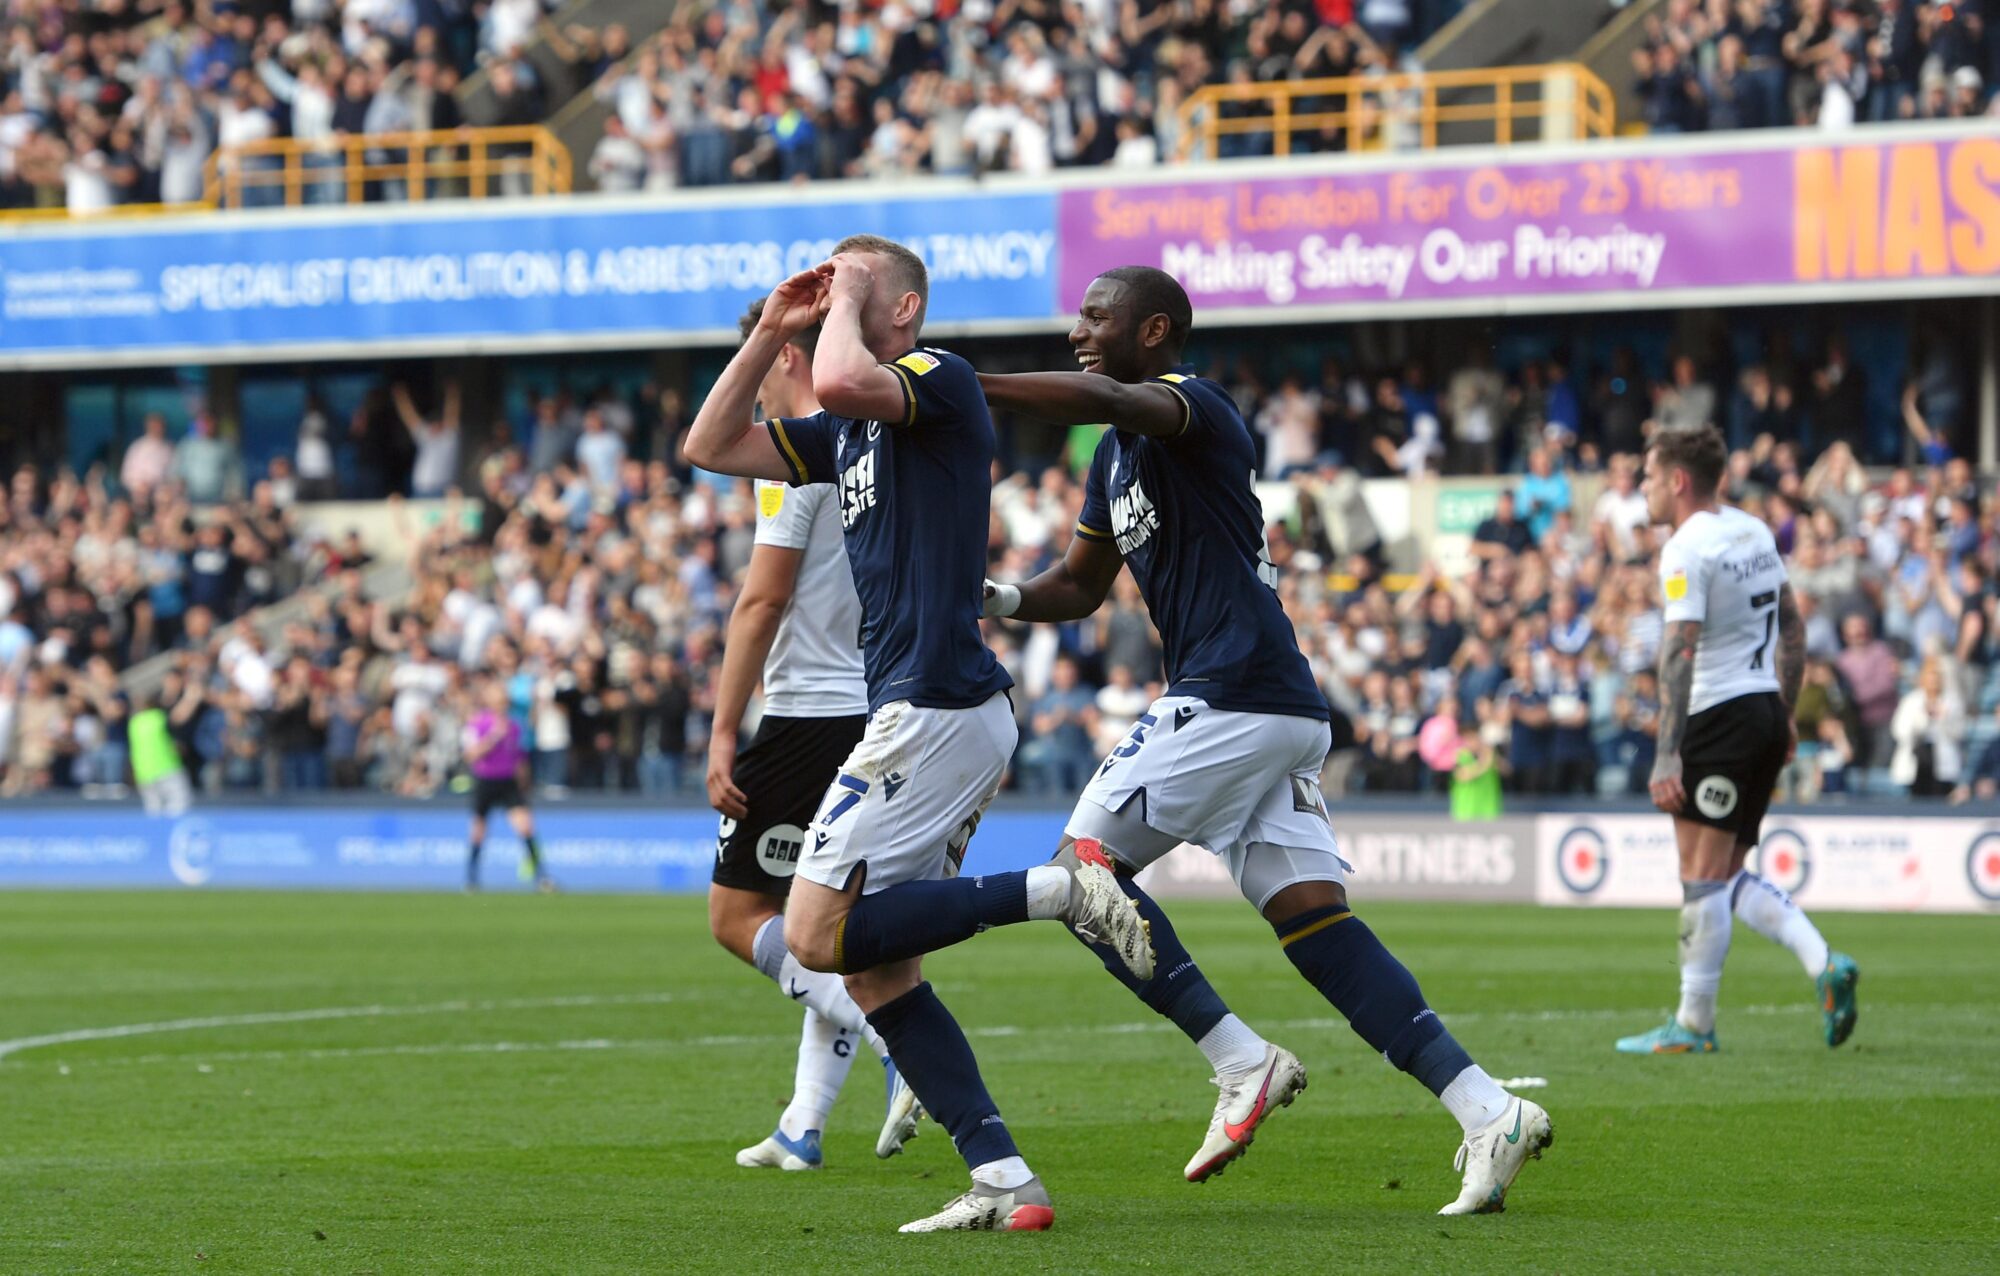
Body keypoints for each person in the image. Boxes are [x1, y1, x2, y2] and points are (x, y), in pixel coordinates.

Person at [978, 266, 1551, 1216]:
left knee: (1082, 876)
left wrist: (967, 385)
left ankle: (1241, 1061)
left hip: (1232, 695)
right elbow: (1078, 586)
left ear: (1153, 330)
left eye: (1096, 316)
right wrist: (996, 597)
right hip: (1270, 703)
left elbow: (1109, 398)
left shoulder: (1194, 405)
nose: (1077, 330)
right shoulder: (1113, 455)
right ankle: (1491, 1111)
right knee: (1317, 928)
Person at [682, 235, 1149, 1234]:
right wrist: (770, 330)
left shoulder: (936, 376)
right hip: (932, 709)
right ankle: (1002, 1177)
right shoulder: (842, 434)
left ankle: (1059, 889)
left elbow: (845, 376)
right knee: (875, 968)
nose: (831, 301)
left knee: (812, 933)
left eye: (852, 286)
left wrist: (847, 294)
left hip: (931, 705)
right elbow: (709, 446)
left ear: (900, 309)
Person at [701, 296, 916, 1173]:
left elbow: (762, 599)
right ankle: (804, 1123)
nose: (751, 382)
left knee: (735, 915)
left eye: (756, 361)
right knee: (822, 919)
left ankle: (897, 1037)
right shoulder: (871, 444)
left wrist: (723, 731)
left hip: (807, 713)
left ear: (787, 355)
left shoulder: (796, 456)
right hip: (876, 701)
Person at [1619, 425, 1858, 1057]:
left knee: (1701, 877)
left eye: (1649, 477)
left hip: (1716, 717)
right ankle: (1823, 961)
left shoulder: (1685, 548)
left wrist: (1667, 752)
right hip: (1763, 710)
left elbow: (1680, 651)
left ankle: (1694, 1024)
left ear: (1678, 480)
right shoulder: (1753, 531)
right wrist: (1785, 714)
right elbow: (1793, 627)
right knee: (1725, 873)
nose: (1643, 488)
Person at [462, 678, 551, 892]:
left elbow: (520, 757)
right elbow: (471, 754)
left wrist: (524, 780)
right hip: (486, 780)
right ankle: (471, 879)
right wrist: (493, 737)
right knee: (479, 830)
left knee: (526, 827)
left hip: (508, 781)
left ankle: (541, 877)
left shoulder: (515, 725)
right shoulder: (477, 724)